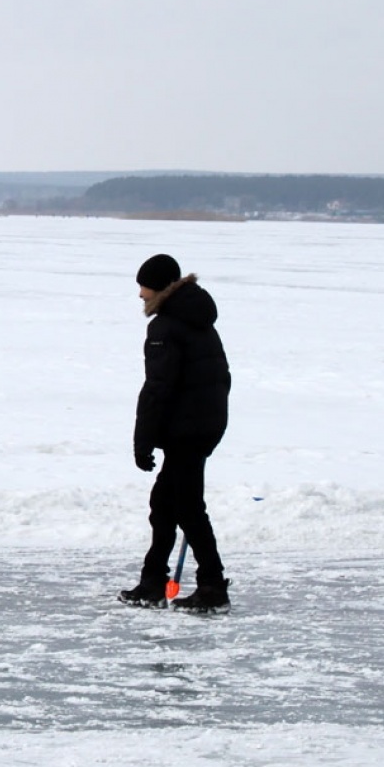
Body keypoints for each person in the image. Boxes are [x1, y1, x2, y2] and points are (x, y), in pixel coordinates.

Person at [118, 254, 232, 611]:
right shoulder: (199, 320)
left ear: (159, 287)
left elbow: (157, 388)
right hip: (203, 425)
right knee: (165, 504)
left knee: (186, 506)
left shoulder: (166, 327)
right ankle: (153, 581)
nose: (140, 294)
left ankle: (212, 586)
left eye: (144, 286)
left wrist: (142, 441)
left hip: (187, 430)